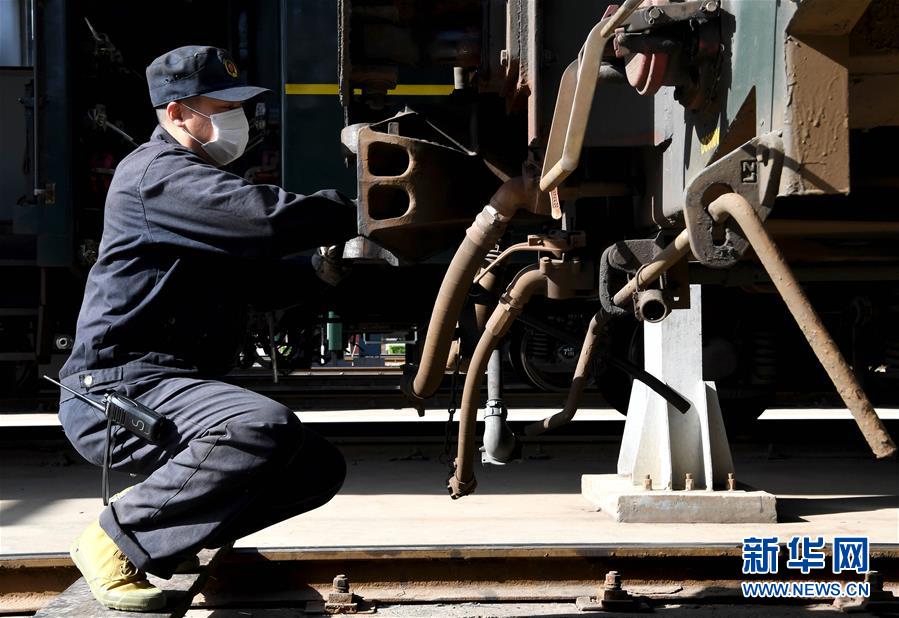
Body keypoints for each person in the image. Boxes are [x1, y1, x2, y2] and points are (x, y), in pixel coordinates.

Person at [56, 45, 354, 612]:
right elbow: (266, 221)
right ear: (176, 113)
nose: (240, 119)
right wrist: (360, 208)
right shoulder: (157, 175)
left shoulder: (195, 183)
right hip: (118, 391)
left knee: (314, 467)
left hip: (163, 385)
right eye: (223, 107)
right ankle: (117, 537)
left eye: (240, 106)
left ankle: (168, 533)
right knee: (258, 427)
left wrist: (321, 268)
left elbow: (257, 283)